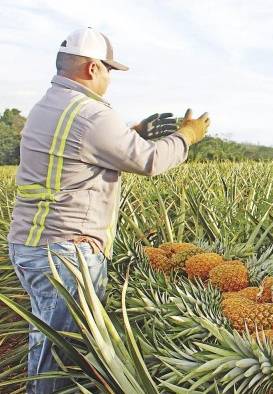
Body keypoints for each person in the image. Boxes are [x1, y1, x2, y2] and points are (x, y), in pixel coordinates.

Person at [7, 27, 209, 393]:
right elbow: (150, 162)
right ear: (92, 69)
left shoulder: (49, 105)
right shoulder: (90, 114)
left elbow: (78, 150)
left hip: (33, 244)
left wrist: (134, 131)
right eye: (109, 71)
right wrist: (187, 136)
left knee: (51, 338)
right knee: (60, 350)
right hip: (64, 253)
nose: (109, 79)